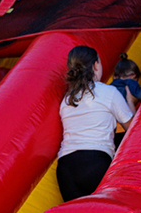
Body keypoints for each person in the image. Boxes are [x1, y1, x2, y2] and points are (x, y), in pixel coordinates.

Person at [56, 45, 134, 202]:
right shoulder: (109, 92)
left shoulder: (67, 100)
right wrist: (131, 101)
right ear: (96, 65)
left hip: (65, 169)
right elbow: (134, 128)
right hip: (94, 161)